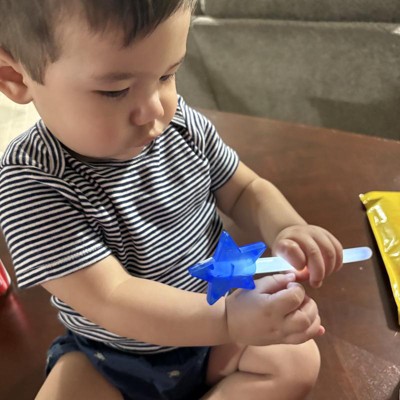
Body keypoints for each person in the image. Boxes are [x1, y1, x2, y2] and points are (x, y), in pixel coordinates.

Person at [0, 1, 343, 399]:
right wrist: (227, 319)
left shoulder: (182, 125)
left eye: (167, 75)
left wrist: (287, 227)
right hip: (110, 358)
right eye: (115, 91)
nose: (155, 110)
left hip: (216, 337)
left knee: (298, 360)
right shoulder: (31, 181)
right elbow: (112, 297)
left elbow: (245, 189)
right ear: (15, 78)